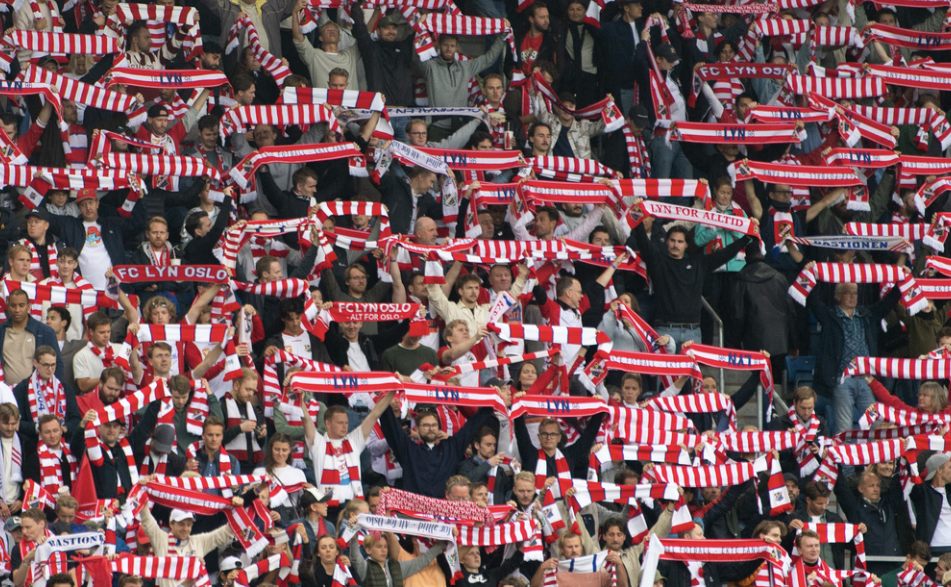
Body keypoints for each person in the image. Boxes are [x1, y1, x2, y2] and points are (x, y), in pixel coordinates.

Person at [630, 204, 756, 351]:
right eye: (672, 240)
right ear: (667, 242)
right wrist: (636, 212)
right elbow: (642, 240)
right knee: (664, 374)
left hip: (693, 332)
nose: (675, 245)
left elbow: (725, 254)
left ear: (686, 245)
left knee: (691, 375)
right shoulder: (658, 262)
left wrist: (747, 237)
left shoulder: (698, 264)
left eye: (680, 241)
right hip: (664, 329)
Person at [804, 260, 902, 434]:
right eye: (848, 292)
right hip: (842, 381)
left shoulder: (867, 315)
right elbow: (813, 299)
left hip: (866, 379)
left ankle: (875, 460)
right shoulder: (829, 316)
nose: (852, 296)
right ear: (838, 295)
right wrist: (809, 273)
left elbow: (888, 303)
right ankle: (843, 462)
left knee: (876, 424)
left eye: (855, 293)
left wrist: (902, 279)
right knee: (844, 427)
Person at [0, 289, 62, 385]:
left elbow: (57, 364)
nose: (17, 310)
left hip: (37, 393)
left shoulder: (45, 332)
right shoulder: (1, 330)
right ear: (8, 307)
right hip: (7, 393)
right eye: (13, 306)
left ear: (28, 306)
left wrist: (51, 390)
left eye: (21, 305)